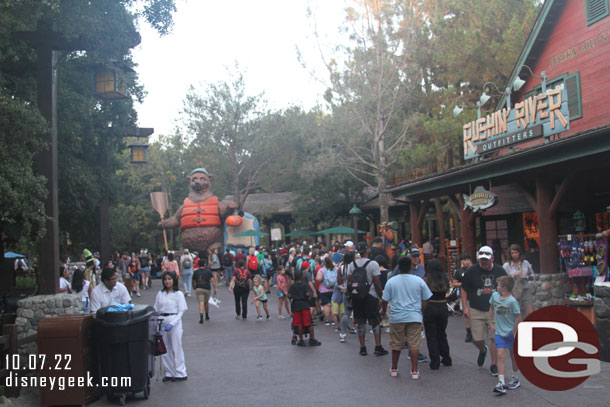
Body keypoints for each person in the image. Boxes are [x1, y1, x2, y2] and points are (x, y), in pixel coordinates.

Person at [380, 256, 432, 379]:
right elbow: (426, 298)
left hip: (397, 316)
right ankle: (414, 371)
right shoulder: (418, 280)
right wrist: (421, 311)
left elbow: (384, 299)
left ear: (398, 266)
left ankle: (394, 368)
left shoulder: (392, 281)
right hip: (414, 316)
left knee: (396, 344)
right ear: (410, 267)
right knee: (414, 344)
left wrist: (383, 309)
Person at [461, 245, 507, 376]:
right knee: (477, 338)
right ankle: (482, 350)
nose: (484, 261)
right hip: (476, 308)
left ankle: (493, 364)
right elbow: (464, 289)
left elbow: (507, 288)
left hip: (495, 309)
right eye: (481, 259)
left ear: (492, 258)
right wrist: (465, 307)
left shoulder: (500, 271)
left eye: (486, 259)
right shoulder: (471, 272)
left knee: (494, 338)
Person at [346, 242, 388, 357]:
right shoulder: (373, 264)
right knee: (375, 321)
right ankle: (378, 346)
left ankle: (362, 347)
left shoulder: (352, 264)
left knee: (360, 322)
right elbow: (377, 282)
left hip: (357, 296)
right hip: (371, 295)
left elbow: (349, 281)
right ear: (367, 250)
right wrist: (381, 297)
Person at [489, 276, 522, 394]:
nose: (497, 287)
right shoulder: (495, 297)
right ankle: (501, 382)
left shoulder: (512, 301)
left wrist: (513, 331)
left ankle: (515, 377)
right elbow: (491, 309)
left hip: (511, 333)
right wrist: (491, 323)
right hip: (499, 332)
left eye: (499, 285)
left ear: (504, 288)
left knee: (513, 356)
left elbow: (518, 317)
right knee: (500, 355)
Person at [154, 272, 188, 382]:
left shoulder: (178, 294)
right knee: (165, 348)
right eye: (165, 279)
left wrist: (173, 323)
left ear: (174, 280)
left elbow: (181, 311)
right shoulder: (160, 293)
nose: (167, 281)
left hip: (174, 321)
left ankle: (180, 372)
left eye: (169, 279)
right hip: (162, 321)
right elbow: (156, 308)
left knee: (176, 347)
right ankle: (168, 372)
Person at [423, 259, 452, 370]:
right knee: (442, 333)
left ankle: (435, 361)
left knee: (431, 335)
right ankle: (446, 357)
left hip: (430, 306)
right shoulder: (445, 278)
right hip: (442, 306)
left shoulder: (426, 279)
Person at [288, 269, 321, 346]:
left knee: (298, 324)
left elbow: (289, 295)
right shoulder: (304, 285)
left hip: (296, 305)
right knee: (308, 322)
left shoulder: (293, 286)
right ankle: (311, 339)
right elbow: (307, 294)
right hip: (304, 304)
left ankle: (301, 340)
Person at [503, 244, 535, 317]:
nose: (514, 255)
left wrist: (528, 277)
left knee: (530, 312)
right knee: (517, 314)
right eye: (512, 253)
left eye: (516, 252)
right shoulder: (506, 265)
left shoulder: (525, 263)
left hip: (525, 289)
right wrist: (512, 277)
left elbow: (533, 275)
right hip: (513, 290)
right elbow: (502, 280)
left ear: (519, 253)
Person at [452, 253, 474, 342]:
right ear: (461, 261)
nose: (466, 262)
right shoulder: (458, 272)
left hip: (474, 295)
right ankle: (469, 332)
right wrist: (462, 284)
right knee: (467, 315)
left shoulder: (474, 270)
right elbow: (454, 283)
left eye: (467, 260)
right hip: (464, 295)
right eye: (464, 260)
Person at [192, 258, 216, 324]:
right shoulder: (208, 271)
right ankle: (207, 315)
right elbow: (212, 280)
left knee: (201, 303)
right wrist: (215, 288)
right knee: (206, 302)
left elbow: (193, 281)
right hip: (206, 289)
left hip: (198, 288)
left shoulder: (196, 272)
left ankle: (201, 316)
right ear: (204, 264)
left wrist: (194, 287)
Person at [316, 256, 337, 325]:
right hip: (334, 289)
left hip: (324, 290)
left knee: (326, 305)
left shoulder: (322, 270)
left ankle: (327, 320)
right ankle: (334, 320)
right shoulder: (336, 269)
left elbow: (318, 279)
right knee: (333, 305)